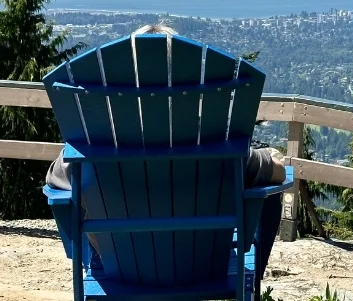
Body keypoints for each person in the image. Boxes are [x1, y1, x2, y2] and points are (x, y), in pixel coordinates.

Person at [46, 23, 287, 278]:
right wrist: (269, 157)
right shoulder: (210, 140)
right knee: (268, 193)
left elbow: (54, 179)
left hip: (122, 270)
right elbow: (278, 173)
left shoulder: (95, 144)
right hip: (201, 268)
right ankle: (251, 285)